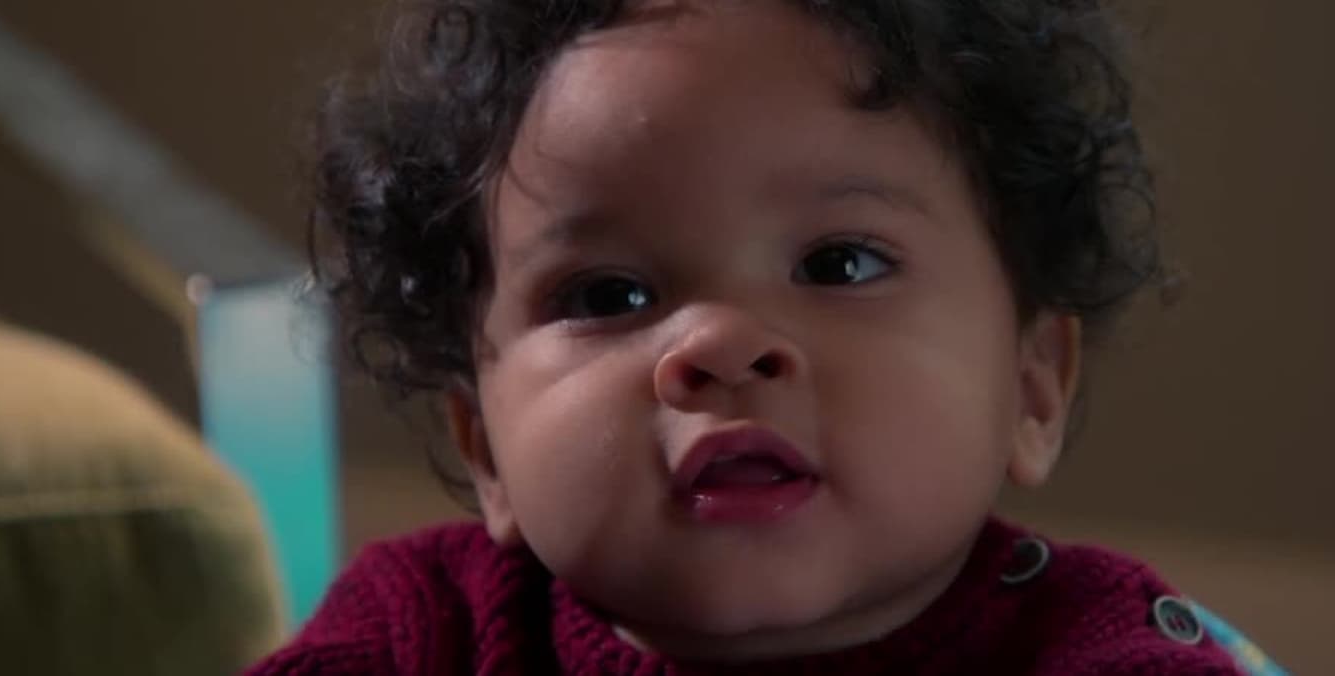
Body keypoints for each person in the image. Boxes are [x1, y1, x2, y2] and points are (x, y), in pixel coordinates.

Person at [252, 0, 1255, 672]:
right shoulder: (425, 629)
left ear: (1032, 387)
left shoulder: (1094, 648)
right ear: (486, 451)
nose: (720, 344)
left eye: (841, 264)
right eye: (608, 293)